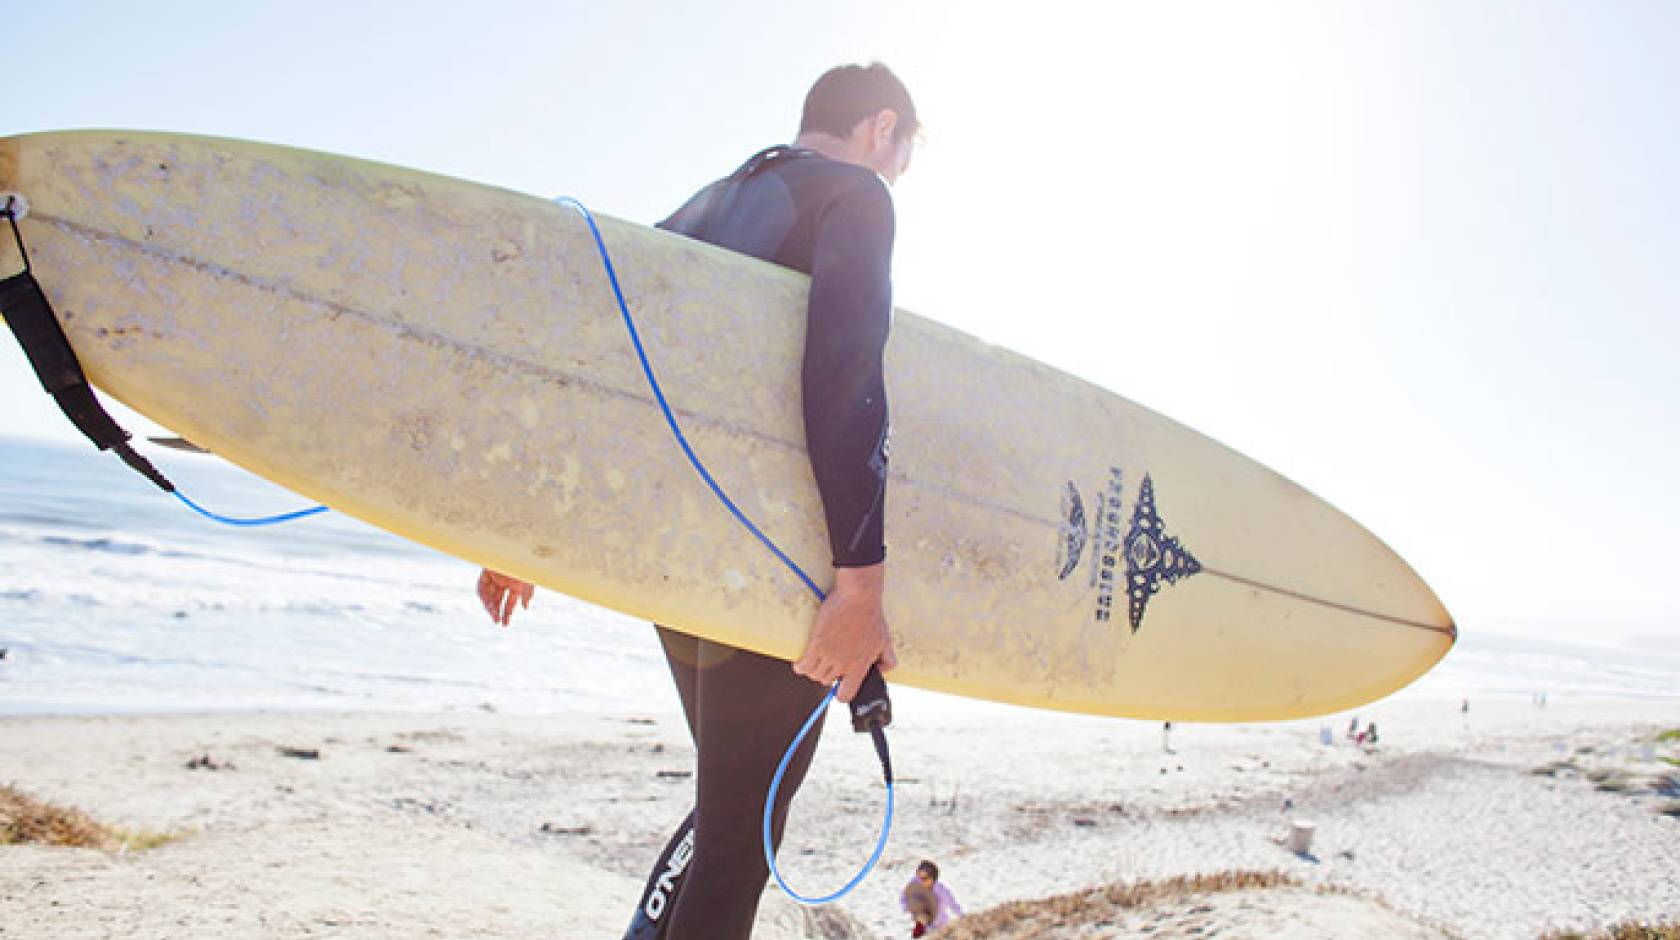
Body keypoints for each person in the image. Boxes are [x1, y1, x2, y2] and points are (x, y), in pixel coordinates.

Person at [477, 63, 918, 939]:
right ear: (879, 129)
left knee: (728, 813)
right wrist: (860, 587)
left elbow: (603, 373)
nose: (899, 174)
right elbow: (843, 375)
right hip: (761, 563)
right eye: (904, 154)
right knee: (738, 844)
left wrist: (528, 532)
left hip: (674, 573)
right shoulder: (855, 196)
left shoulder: (707, 204)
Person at [899, 860, 963, 936]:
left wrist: (963, 918)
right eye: (918, 876)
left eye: (924, 878)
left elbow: (954, 905)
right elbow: (904, 898)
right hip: (922, 925)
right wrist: (909, 908)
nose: (920, 880)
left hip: (940, 928)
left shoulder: (942, 892)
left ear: (933, 879)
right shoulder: (915, 884)